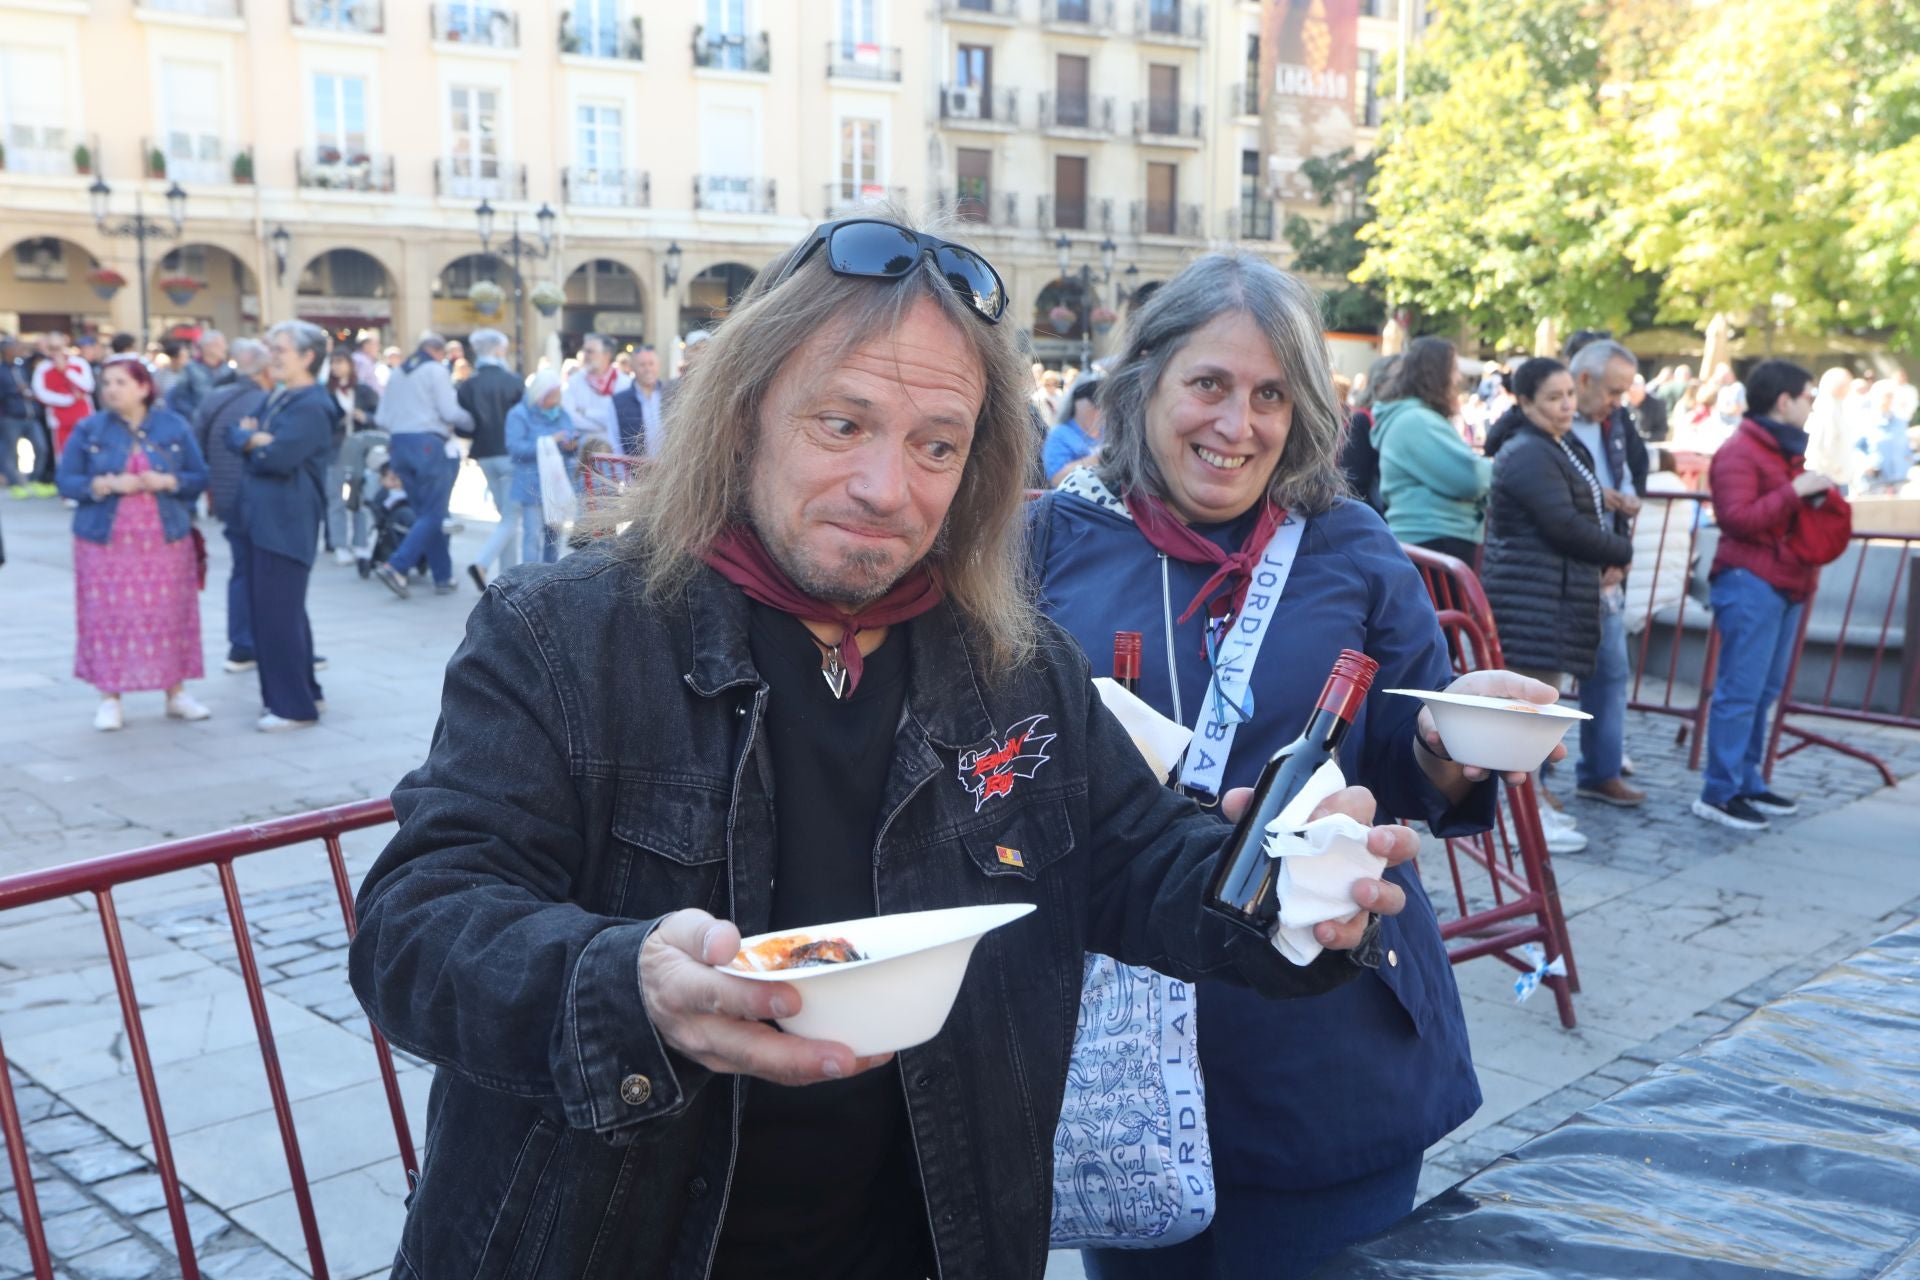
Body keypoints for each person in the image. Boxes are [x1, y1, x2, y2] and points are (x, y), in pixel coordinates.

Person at [348, 213, 1419, 1280]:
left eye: (935, 445)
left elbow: (1142, 857)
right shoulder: (566, 634)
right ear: (745, 413)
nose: (886, 488)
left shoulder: (1013, 663)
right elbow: (414, 922)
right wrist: (626, 984)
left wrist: (1293, 888)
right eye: (842, 423)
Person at [1033, 254, 1549, 1280]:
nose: (1238, 424)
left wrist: (1453, 740)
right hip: (1119, 1041)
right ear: (1144, 382)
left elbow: (1410, 763)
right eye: (1210, 383)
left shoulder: (1349, 543)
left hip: (1325, 1033)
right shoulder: (1049, 537)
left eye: (1271, 394)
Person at [1480, 358, 1635, 851]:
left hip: (1547, 595)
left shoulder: (1552, 443)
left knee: (1532, 714)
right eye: (1554, 397)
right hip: (1530, 598)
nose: (1567, 405)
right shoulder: (1529, 450)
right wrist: (1619, 550)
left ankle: (1529, 811)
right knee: (1525, 716)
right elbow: (1562, 524)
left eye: (1569, 394)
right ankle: (1516, 821)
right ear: (1525, 402)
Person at [1693, 360, 1851, 830]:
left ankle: (1746, 782)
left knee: (1762, 692)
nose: (1812, 406)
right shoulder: (1740, 451)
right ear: (1784, 401)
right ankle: (1719, 793)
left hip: (1781, 582)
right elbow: (1736, 518)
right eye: (1808, 397)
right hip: (1750, 581)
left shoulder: (1781, 449)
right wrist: (1795, 492)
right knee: (1740, 692)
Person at [55, 356, 210, 731]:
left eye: (120, 382)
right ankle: (110, 697)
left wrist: (169, 481)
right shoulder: (90, 428)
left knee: (171, 615)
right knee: (107, 618)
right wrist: (105, 484)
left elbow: (199, 475)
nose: (111, 390)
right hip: (104, 543)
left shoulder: (173, 425)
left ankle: (176, 693)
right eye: (106, 383)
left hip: (165, 541)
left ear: (143, 387)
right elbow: (66, 480)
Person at [1551, 339, 1646, 809]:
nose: (1618, 401)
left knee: (1610, 672)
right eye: (1613, 390)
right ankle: (1533, 785)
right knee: (1544, 681)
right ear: (1583, 380)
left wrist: (1624, 510)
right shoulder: (1551, 425)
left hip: (1605, 568)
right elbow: (1555, 507)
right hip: (1563, 572)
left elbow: (1632, 471)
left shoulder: (1615, 423)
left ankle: (1601, 771)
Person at [230, 321, 336, 731]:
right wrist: (253, 440)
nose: (271, 357)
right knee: (281, 613)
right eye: (271, 349)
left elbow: (277, 458)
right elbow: (233, 433)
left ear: (308, 357)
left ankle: (292, 707)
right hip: (265, 519)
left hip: (285, 522)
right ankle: (306, 692)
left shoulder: (310, 404)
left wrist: (257, 443)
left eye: (280, 350)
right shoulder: (279, 396)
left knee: (277, 616)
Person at [1372, 336, 1492, 567]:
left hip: (1434, 538)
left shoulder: (1416, 418)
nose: (1458, 378)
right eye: (1454, 369)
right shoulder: (1416, 421)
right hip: (1434, 540)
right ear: (1437, 373)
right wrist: (1499, 469)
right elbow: (1471, 478)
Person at [371, 332, 472, 598]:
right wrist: (473, 421)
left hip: (398, 444)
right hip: (428, 444)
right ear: (439, 352)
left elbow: (381, 418)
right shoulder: (435, 371)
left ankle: (443, 576)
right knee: (435, 513)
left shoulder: (397, 372)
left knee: (426, 514)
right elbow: (450, 412)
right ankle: (396, 566)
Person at [194, 338, 273, 673]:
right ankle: (270, 642)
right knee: (271, 572)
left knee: (242, 569)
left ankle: (242, 644)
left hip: (226, 496)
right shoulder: (269, 401)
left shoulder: (215, 397)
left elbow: (197, 442)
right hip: (262, 496)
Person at [458, 327, 525, 590]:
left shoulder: (468, 385)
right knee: (511, 517)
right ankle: (482, 564)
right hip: (509, 454)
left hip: (484, 453)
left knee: (506, 515)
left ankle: (507, 578)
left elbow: (464, 425)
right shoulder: (512, 381)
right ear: (498, 350)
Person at [504, 369, 579, 564]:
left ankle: (550, 576)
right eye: (551, 396)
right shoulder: (519, 414)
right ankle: (529, 577)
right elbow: (515, 449)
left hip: (556, 485)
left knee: (554, 538)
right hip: (531, 486)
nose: (555, 401)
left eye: (557, 396)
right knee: (532, 536)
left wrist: (570, 445)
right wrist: (549, 441)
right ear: (539, 394)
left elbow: (570, 439)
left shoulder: (561, 414)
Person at [324, 348, 381, 566]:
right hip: (335, 451)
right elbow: (320, 421)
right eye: (333, 363)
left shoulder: (363, 391)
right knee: (336, 500)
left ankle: (360, 543)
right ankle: (339, 545)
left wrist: (364, 417)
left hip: (360, 451)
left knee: (359, 499)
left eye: (340, 362)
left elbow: (379, 415)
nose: (336, 367)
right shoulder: (326, 392)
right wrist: (339, 421)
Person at [1340, 353, 1398, 516]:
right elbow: (1352, 484)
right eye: (1398, 379)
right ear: (1379, 386)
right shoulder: (1362, 421)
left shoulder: (1394, 421)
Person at [32, 332, 96, 462]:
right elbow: (40, 393)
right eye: (51, 348)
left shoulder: (79, 363)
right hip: (59, 420)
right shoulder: (43, 368)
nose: (55, 352)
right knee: (63, 455)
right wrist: (67, 399)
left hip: (83, 416)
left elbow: (88, 386)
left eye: (58, 347)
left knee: (87, 453)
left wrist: (66, 370)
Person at [560, 333, 629, 449]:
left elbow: (620, 419)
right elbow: (570, 417)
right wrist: (605, 424)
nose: (585, 355)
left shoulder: (624, 383)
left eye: (590, 352)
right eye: (584, 351)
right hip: (582, 451)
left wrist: (585, 412)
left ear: (606, 355)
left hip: (615, 450)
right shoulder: (574, 381)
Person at [1041, 372, 1104, 484]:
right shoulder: (1060, 434)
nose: (1100, 407)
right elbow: (1056, 478)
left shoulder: (1110, 431)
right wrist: (1101, 458)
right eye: (1095, 399)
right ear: (1077, 401)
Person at [1852, 382, 1913, 495]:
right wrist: (1865, 464)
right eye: (1885, 396)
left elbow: (1906, 447)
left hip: (1897, 479)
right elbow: (1856, 448)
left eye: (1890, 396)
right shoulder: (1865, 420)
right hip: (1874, 481)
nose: (1887, 400)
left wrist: (1908, 462)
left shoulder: (1901, 421)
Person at [612, 344, 669, 457]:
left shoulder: (671, 394)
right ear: (632, 367)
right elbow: (614, 442)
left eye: (651, 364)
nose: (648, 369)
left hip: (669, 465)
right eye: (642, 365)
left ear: (659, 365)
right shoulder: (618, 401)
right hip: (633, 466)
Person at [164, 329, 232, 421]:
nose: (225, 348)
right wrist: (197, 417)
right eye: (218, 345)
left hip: (223, 421)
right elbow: (180, 398)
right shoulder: (190, 369)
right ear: (207, 347)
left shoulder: (228, 370)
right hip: (197, 423)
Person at [1627, 373, 1669, 443]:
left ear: (1644, 390)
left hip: (1650, 443)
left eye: (1635, 393)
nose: (1632, 397)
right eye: (1630, 394)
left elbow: (1662, 432)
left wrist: (1642, 438)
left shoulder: (1657, 404)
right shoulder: (1624, 404)